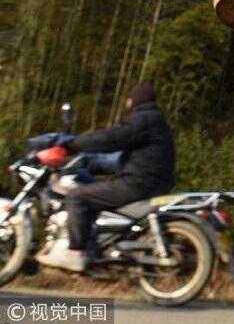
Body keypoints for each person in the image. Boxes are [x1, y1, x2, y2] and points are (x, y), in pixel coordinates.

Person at [37, 82, 176, 272]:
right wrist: (91, 164)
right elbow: (124, 159)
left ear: (133, 101)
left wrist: (71, 145)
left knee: (77, 197)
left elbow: (110, 139)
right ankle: (96, 247)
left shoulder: (143, 120)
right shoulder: (158, 123)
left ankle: (75, 252)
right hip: (153, 182)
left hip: (138, 183)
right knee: (95, 190)